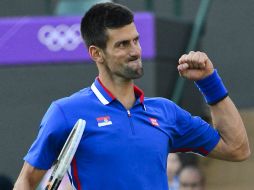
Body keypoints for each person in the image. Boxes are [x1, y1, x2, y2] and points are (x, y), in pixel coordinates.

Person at [14, 2, 250, 190]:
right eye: (122, 44)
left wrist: (209, 82)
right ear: (97, 53)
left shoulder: (165, 112)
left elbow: (237, 148)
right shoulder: (65, 112)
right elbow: (26, 180)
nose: (135, 51)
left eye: (136, 40)